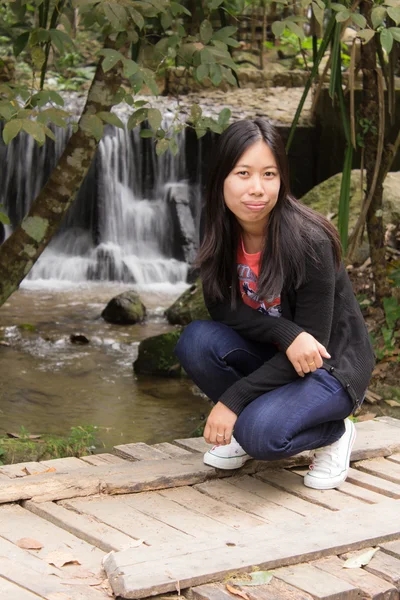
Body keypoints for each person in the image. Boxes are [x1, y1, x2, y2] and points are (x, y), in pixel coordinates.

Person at [174, 119, 375, 490]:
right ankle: (255, 422)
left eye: (269, 174)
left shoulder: (309, 240)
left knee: (262, 437)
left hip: (330, 368)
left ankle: (334, 433)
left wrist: (232, 401)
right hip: (280, 354)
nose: (257, 189)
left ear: (282, 178)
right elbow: (221, 308)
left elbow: (313, 346)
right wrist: (285, 331)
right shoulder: (221, 223)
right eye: (243, 173)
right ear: (222, 178)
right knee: (196, 340)